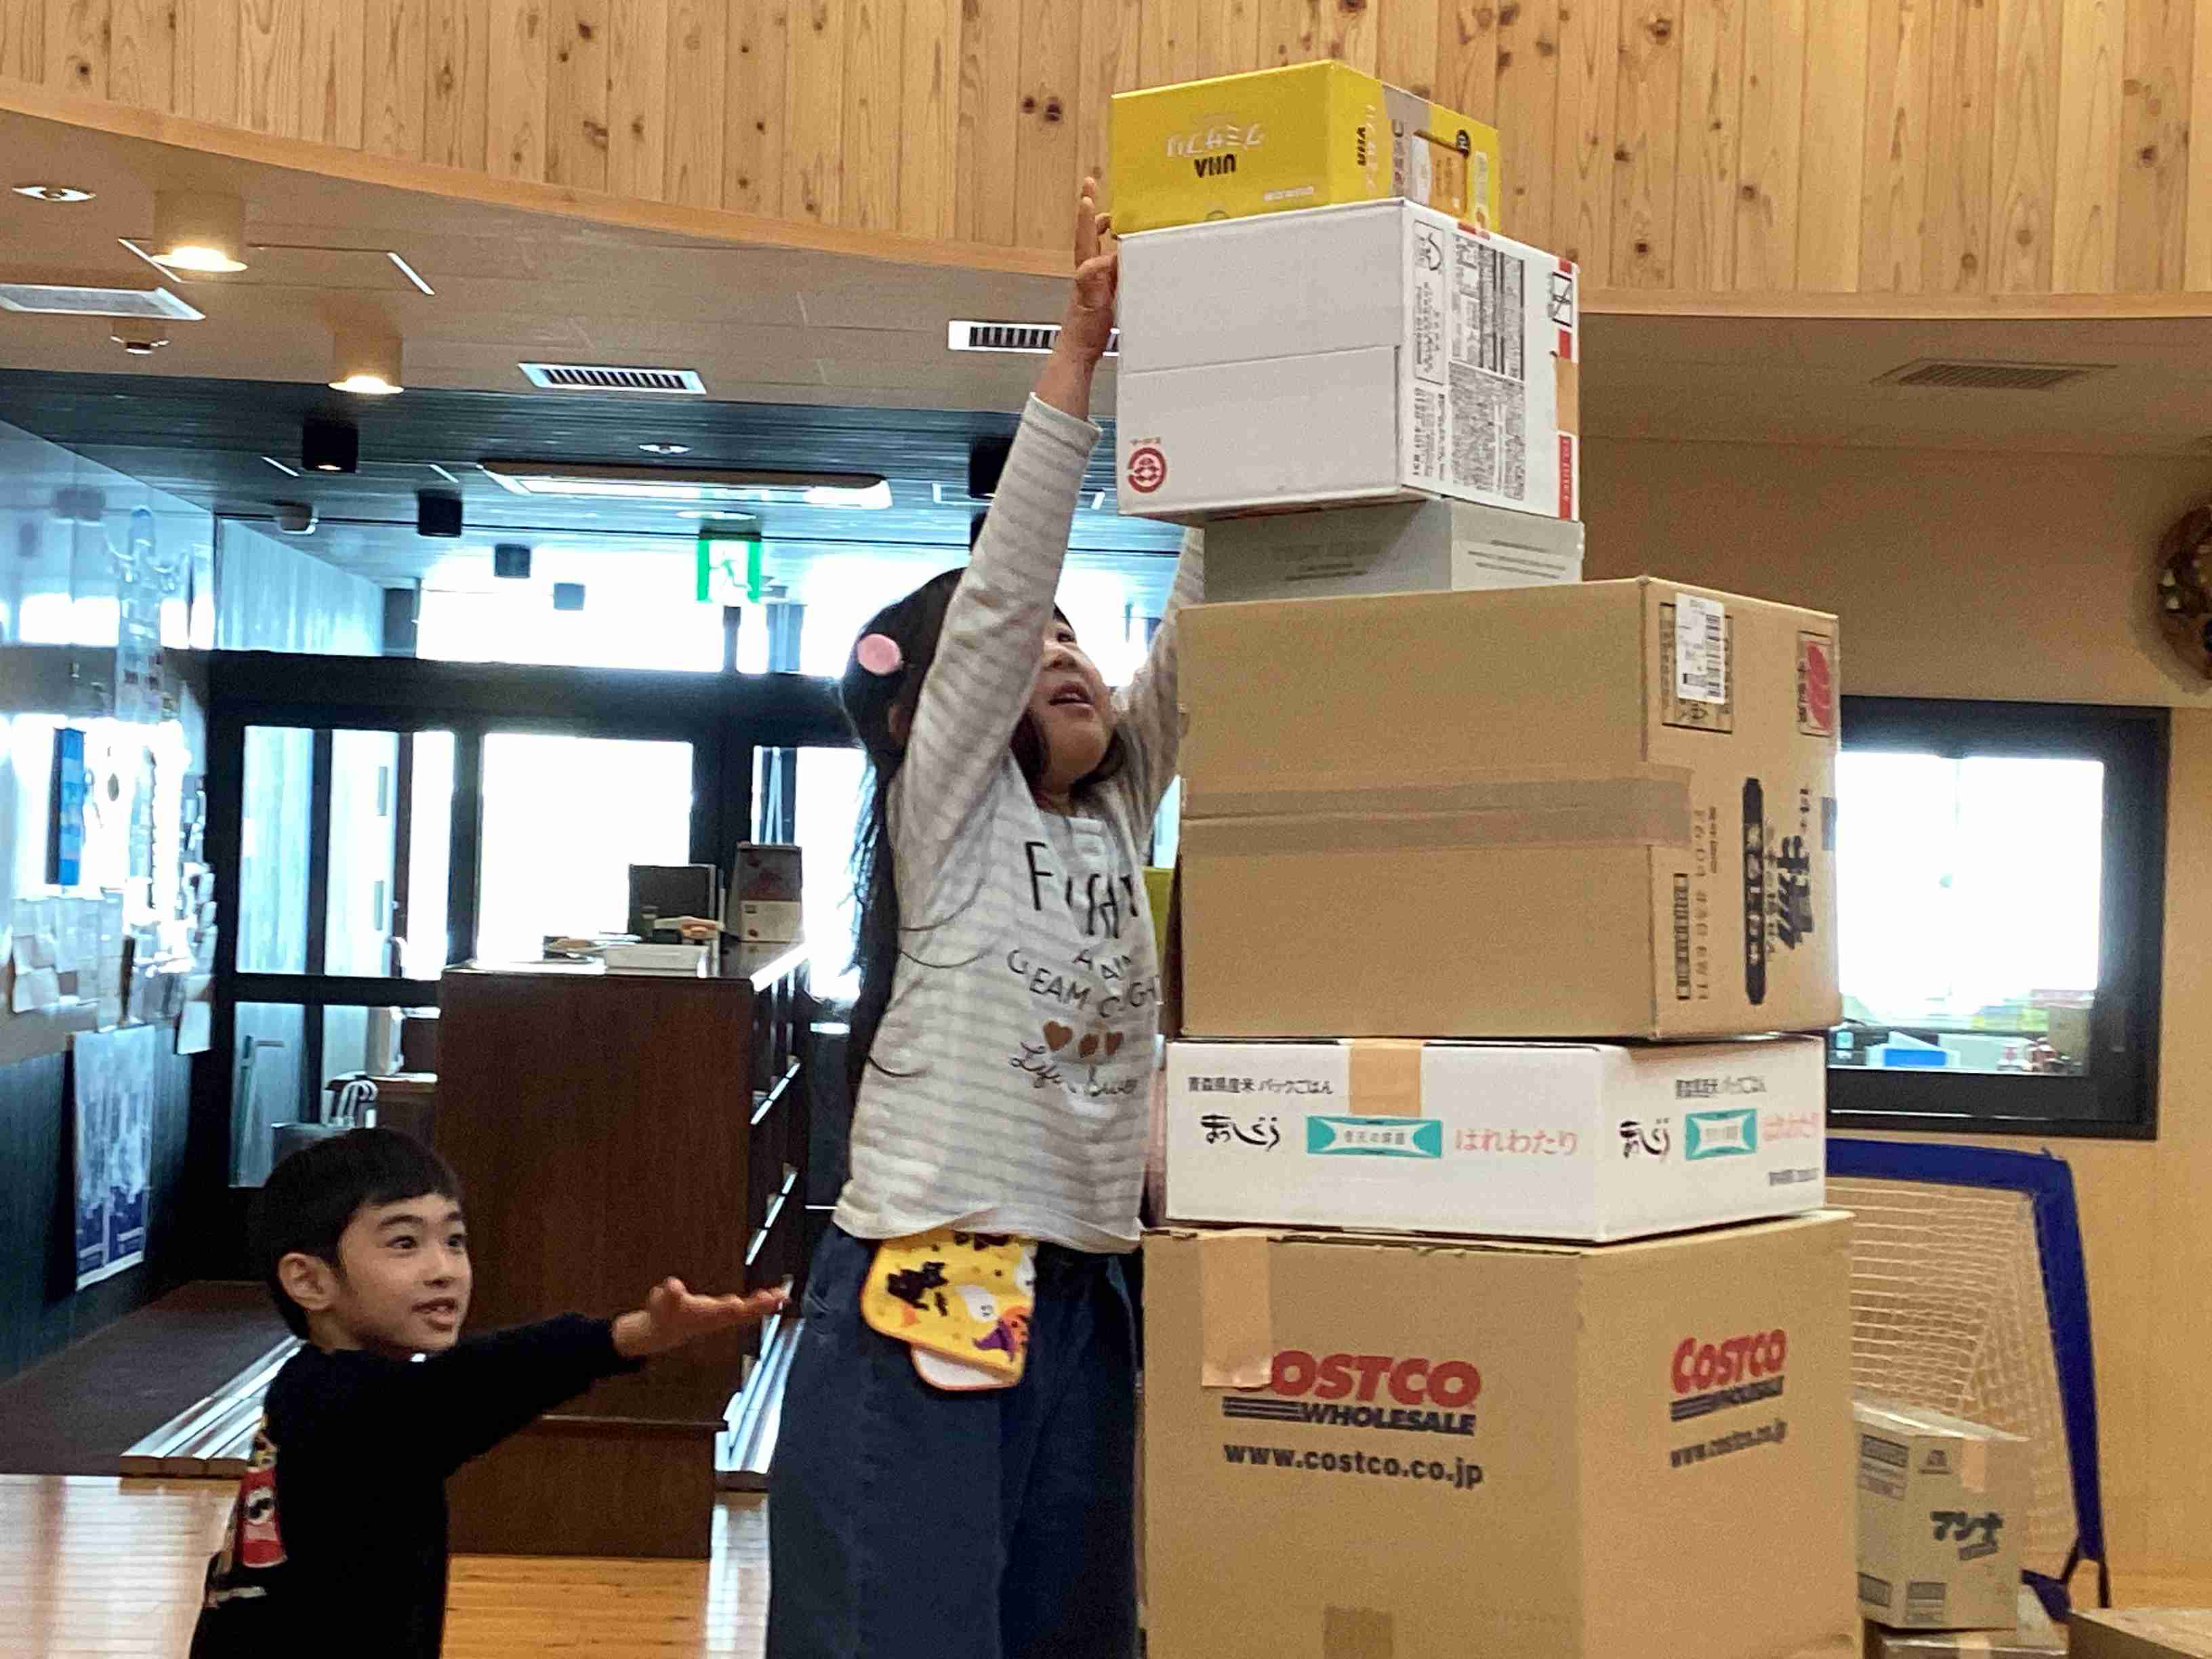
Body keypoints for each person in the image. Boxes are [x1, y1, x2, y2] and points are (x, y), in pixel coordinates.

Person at [766, 179, 1200, 1659]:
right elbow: (1005, 593)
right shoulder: (948, 815)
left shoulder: (1117, 807)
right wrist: (1080, 356)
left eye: (1080, 638)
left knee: (1072, 1630)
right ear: (933, 716)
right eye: (1028, 647)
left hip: (1082, 1281)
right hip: (936, 1267)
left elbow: (1205, 622)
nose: (1061, 650)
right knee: (911, 1631)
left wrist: (1243, 392)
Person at [189, 1127, 785, 1658]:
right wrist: (631, 1336)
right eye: (404, 1243)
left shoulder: (312, 1384)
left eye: (454, 1240)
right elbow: (485, 1379)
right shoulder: (345, 1406)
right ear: (309, 1281)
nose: (444, 1268)